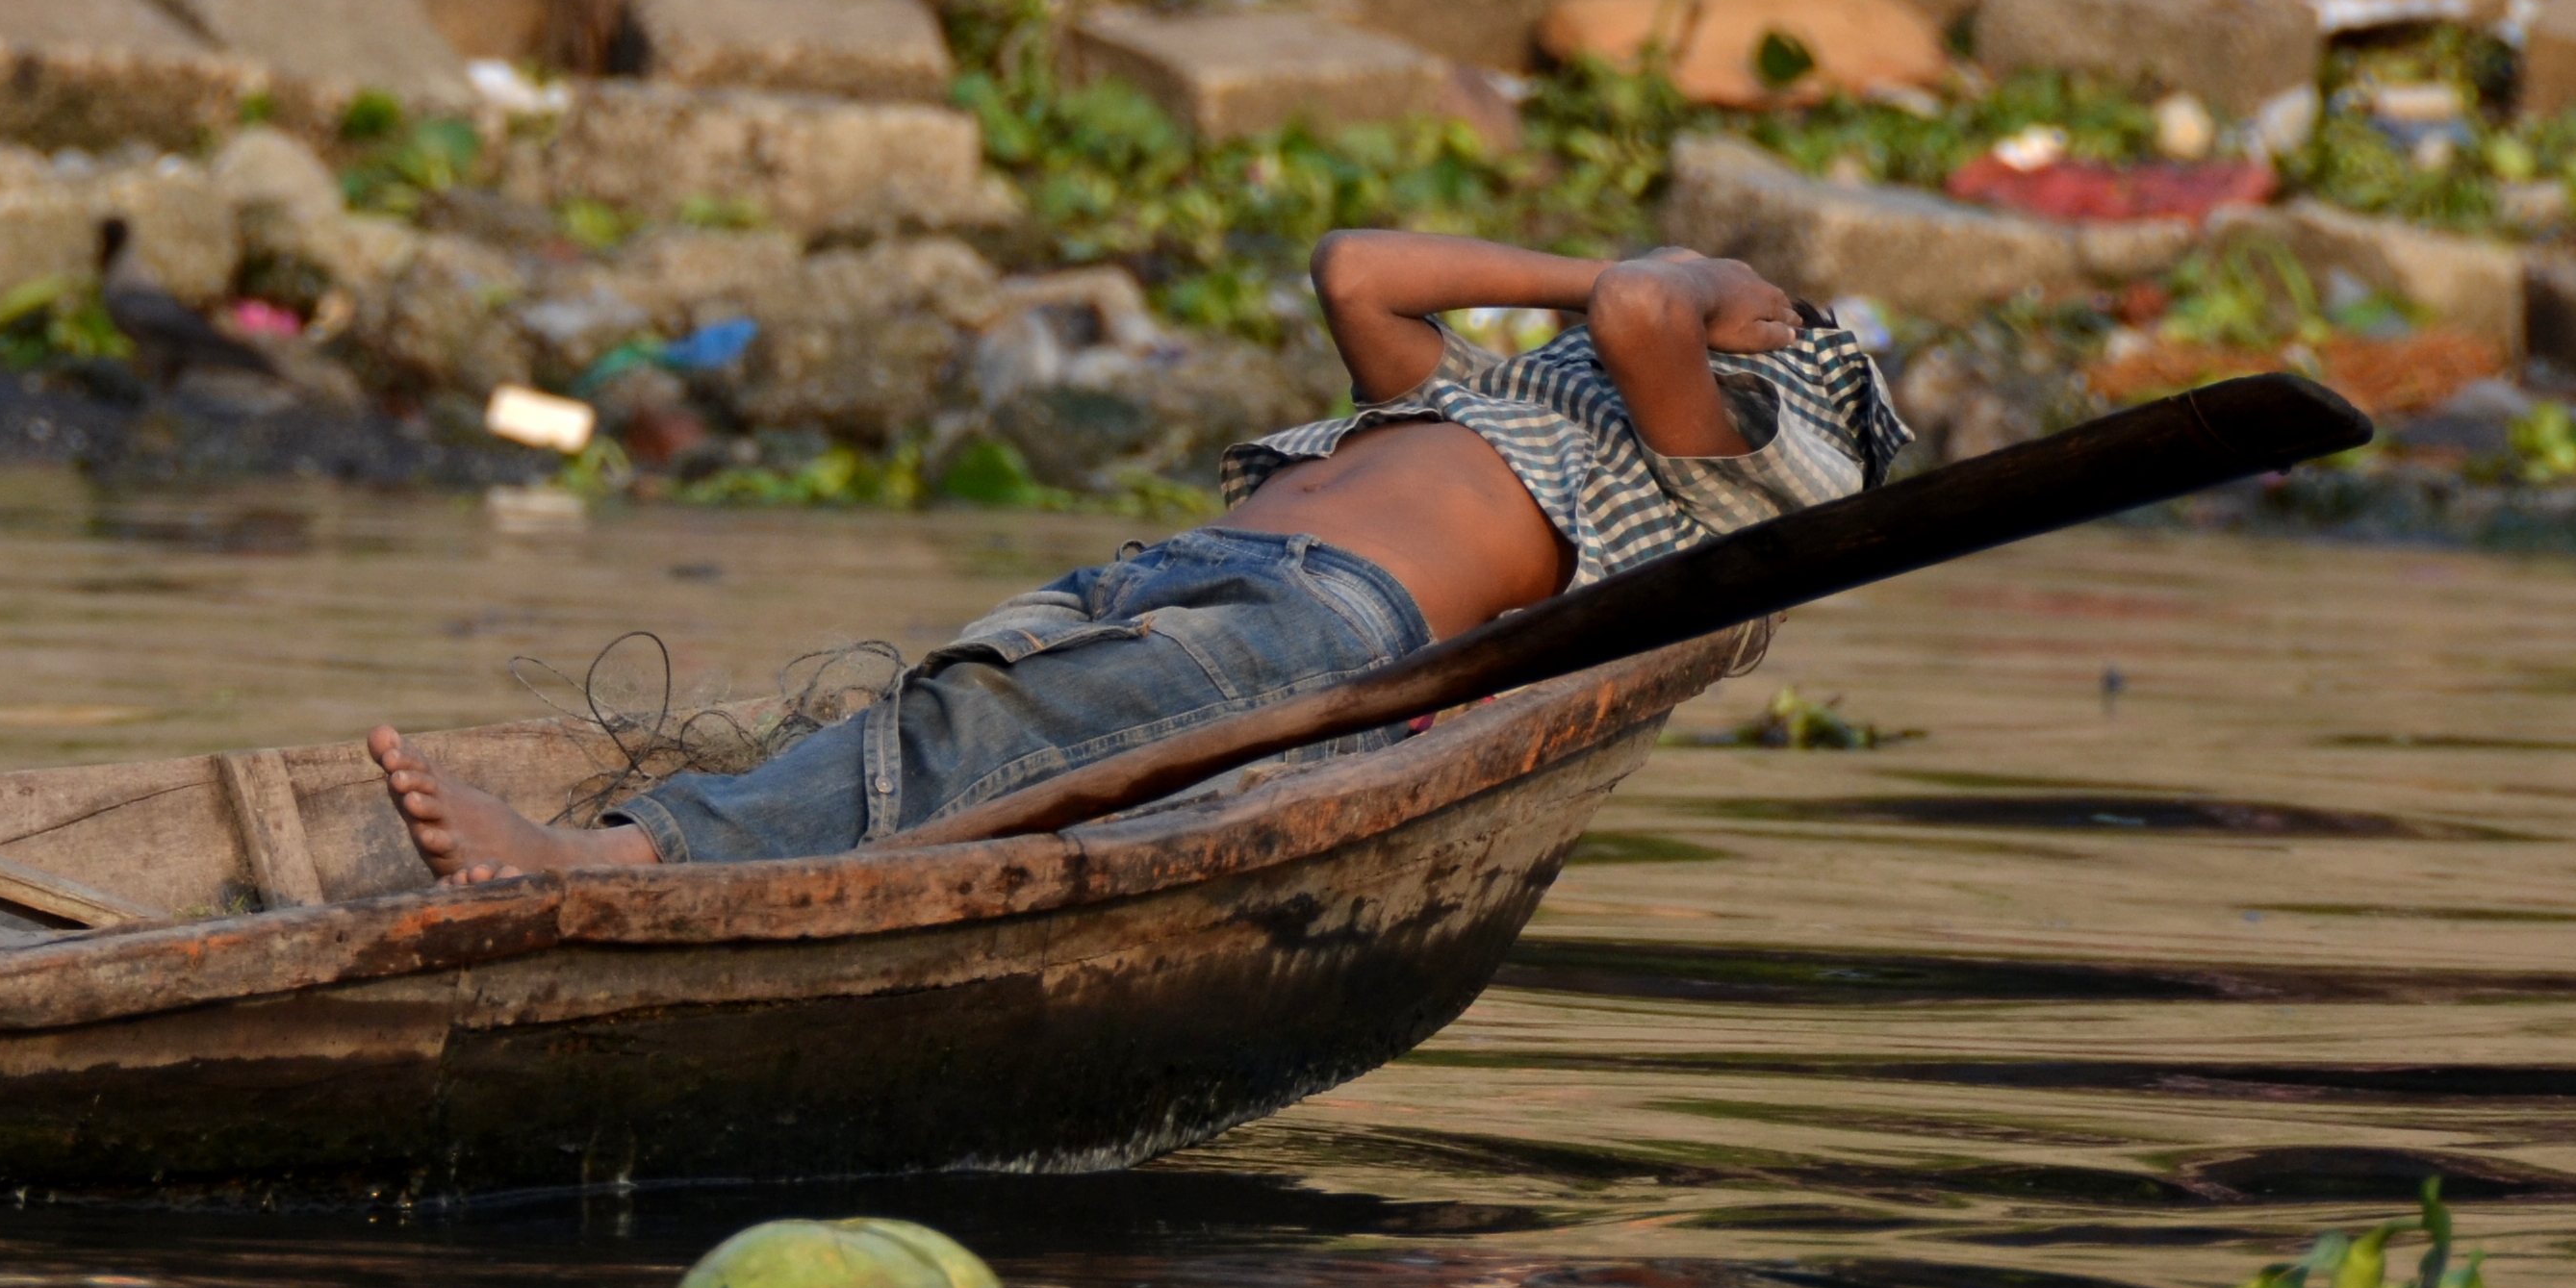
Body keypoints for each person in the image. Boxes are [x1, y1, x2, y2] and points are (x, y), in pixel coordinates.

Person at [367, 230, 1908, 878]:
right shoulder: (1495, 401)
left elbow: (1641, 313)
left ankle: (615, 860)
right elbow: (1357, 269)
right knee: (937, 716)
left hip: (1332, 627)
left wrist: (1695, 278)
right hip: (1173, 568)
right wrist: (1609, 278)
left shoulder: (1722, 476)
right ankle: (691, 852)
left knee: (987, 728)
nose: (1735, 313)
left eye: (1770, 323)